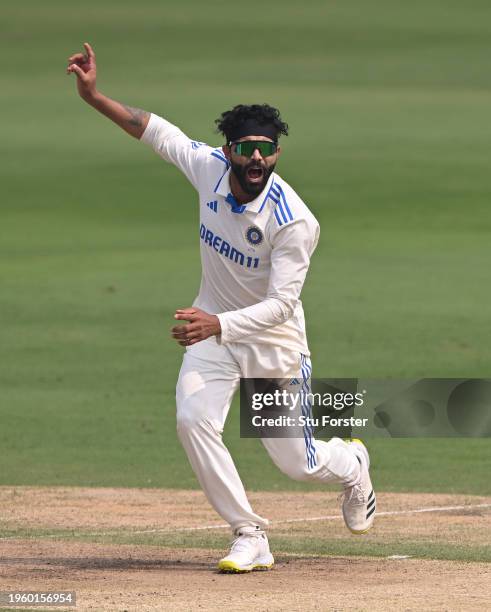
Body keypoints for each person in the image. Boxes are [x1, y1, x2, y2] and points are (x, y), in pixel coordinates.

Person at [67, 42, 376, 573]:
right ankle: (249, 532)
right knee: (193, 420)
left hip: (271, 344)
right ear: (229, 149)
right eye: (247, 147)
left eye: (267, 149)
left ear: (276, 153)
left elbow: (283, 306)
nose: (258, 158)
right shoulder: (208, 169)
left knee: (296, 464)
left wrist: (219, 323)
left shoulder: (293, 220)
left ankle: (353, 464)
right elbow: (153, 129)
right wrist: (94, 96)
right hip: (210, 333)